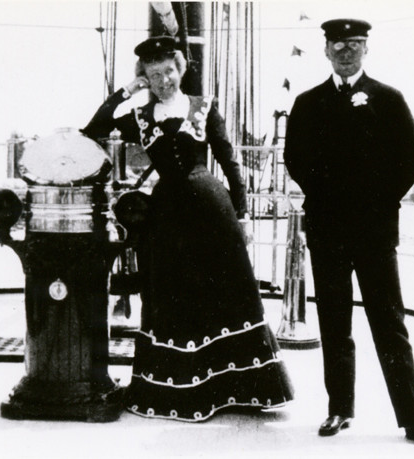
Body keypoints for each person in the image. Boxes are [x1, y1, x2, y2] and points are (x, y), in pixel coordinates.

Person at [82, 35, 293, 422]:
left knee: (224, 292)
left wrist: (242, 213)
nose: (164, 81)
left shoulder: (204, 106)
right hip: (167, 216)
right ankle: (181, 388)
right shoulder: (141, 116)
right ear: (145, 77)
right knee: (172, 293)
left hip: (212, 210)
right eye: (154, 74)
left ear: (181, 70)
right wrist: (128, 90)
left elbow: (230, 163)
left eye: (169, 71)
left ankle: (235, 389)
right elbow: (93, 128)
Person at [283, 19, 414, 451]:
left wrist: (375, 201)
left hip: (373, 230)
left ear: (366, 49)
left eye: (355, 44)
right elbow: (295, 160)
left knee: (389, 324)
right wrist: (329, 195)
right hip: (327, 227)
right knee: (335, 322)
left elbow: (409, 160)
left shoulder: (388, 100)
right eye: (339, 44)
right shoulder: (308, 102)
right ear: (327, 50)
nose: (347, 51)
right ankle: (340, 408)